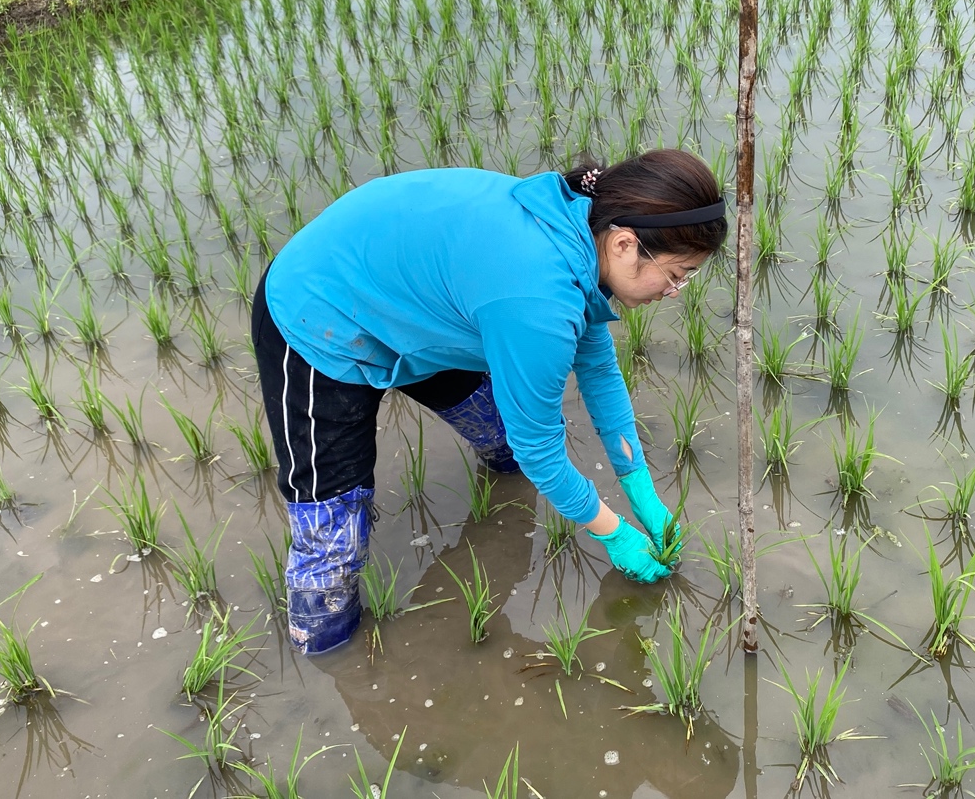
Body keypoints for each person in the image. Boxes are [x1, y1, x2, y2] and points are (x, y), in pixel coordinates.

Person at [250, 149, 729, 654]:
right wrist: (614, 534)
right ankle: (327, 653)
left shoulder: (580, 233)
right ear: (626, 242)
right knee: (334, 544)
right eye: (677, 274)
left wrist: (642, 495)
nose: (676, 291)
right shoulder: (538, 299)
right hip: (320, 313)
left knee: (502, 445)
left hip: (422, 307)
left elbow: (600, 374)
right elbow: (539, 450)